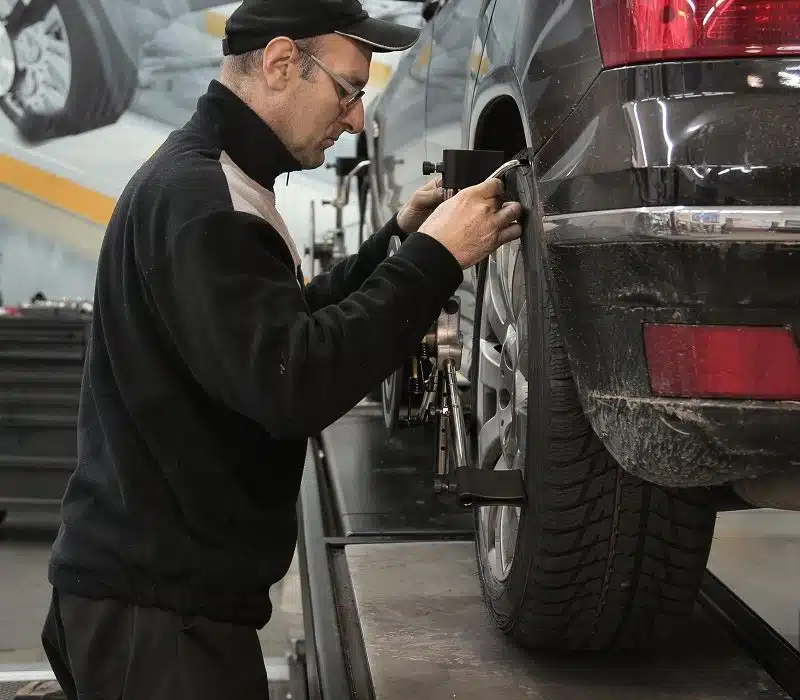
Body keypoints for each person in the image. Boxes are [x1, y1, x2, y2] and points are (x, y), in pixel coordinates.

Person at [40, 0, 523, 697]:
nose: (357, 117)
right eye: (350, 89)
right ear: (279, 63)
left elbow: (279, 324)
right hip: (158, 623)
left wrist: (397, 240)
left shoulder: (217, 178)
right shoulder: (201, 202)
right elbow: (291, 378)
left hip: (159, 601)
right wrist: (434, 259)